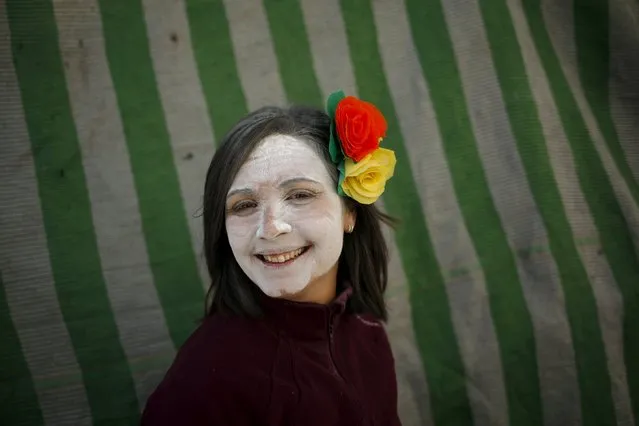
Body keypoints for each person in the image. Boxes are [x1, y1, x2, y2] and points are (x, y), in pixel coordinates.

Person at [141, 91, 401, 425]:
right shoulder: (204, 382)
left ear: (349, 211)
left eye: (300, 195)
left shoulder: (368, 335)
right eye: (244, 205)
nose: (271, 228)